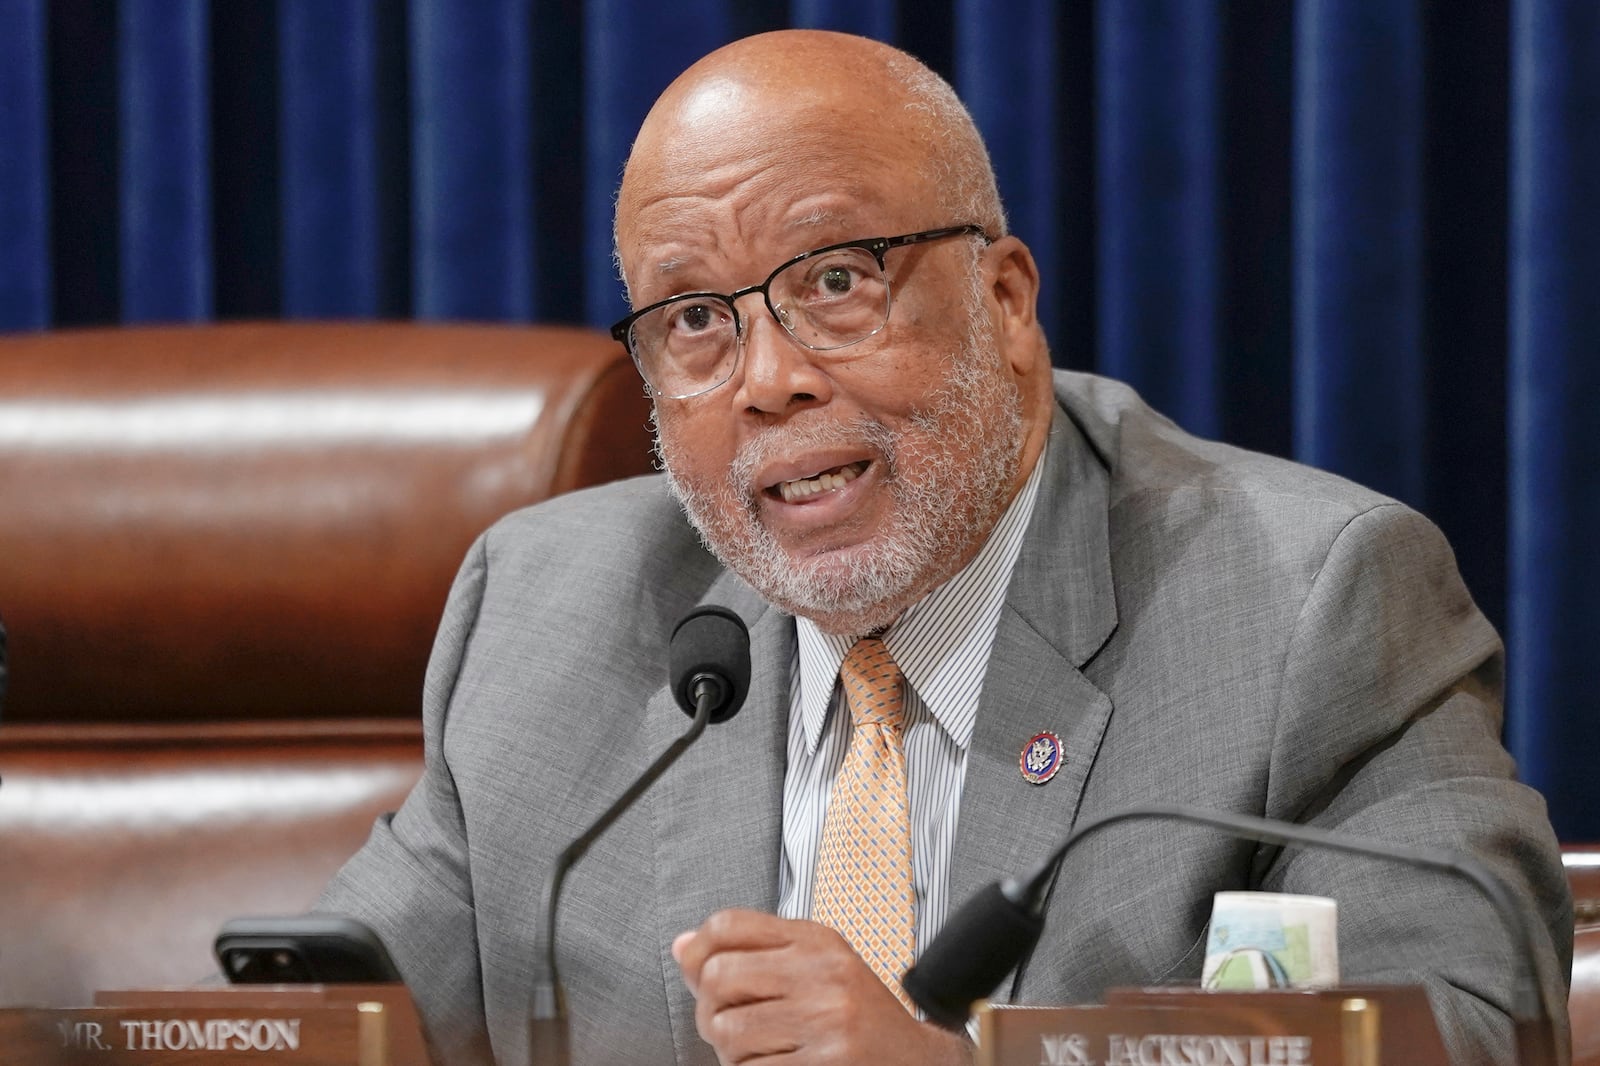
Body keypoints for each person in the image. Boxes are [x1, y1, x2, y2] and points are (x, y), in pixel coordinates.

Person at [318, 29, 1572, 1066]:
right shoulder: (549, 608)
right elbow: (338, 1014)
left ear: (1005, 303)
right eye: (696, 318)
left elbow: (1467, 1029)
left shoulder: (1310, 599)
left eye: (835, 281)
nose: (768, 380)